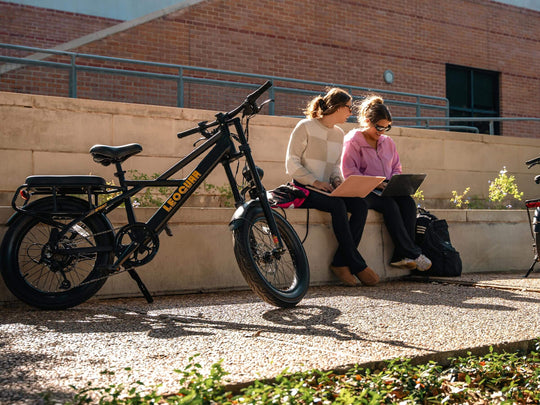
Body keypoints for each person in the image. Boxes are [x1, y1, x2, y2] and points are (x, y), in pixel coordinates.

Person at [285, 88, 380, 286]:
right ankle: (357, 264)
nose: (350, 113)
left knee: (360, 205)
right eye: (348, 108)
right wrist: (315, 181)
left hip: (328, 188)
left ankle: (339, 262)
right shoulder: (305, 126)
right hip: (304, 188)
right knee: (338, 206)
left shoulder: (339, 134)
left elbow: (335, 166)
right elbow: (292, 163)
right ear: (336, 108)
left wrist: (337, 180)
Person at [341, 95, 432, 271]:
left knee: (408, 203)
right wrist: (376, 183)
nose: (382, 131)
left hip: (385, 189)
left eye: (386, 127)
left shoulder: (388, 142)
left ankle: (401, 255)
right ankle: (412, 252)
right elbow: (349, 172)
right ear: (367, 121)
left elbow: (396, 167)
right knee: (390, 206)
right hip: (363, 191)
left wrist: (395, 182)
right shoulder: (353, 141)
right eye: (379, 127)